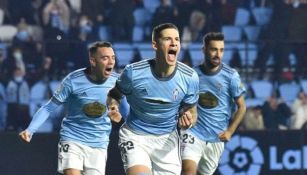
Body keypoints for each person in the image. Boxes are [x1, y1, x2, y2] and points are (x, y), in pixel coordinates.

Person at [19, 41, 126, 175]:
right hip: (72, 138)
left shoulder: (118, 82)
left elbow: (122, 107)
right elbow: (48, 108)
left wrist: (119, 116)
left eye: (113, 57)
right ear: (93, 61)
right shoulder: (73, 80)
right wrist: (31, 129)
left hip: (99, 144)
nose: (111, 62)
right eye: (105, 58)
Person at [107, 23, 199, 175]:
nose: (174, 43)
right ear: (155, 45)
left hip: (167, 141)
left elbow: (193, 113)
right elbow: (114, 95)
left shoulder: (189, 77)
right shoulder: (133, 73)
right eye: (168, 39)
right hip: (136, 136)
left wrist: (189, 120)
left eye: (177, 39)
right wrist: (113, 107)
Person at [181, 32, 246, 175]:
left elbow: (242, 107)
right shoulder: (192, 75)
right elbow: (182, 104)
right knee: (188, 172)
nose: (218, 54)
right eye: (214, 49)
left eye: (221, 50)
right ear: (204, 50)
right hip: (193, 132)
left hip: (216, 137)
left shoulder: (231, 76)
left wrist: (230, 131)